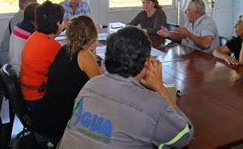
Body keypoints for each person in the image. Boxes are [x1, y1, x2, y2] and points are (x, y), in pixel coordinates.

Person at [58, 27, 194, 148]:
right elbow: (185, 135)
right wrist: (160, 88)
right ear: (147, 61)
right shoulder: (153, 104)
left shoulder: (91, 84)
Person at [33, 15, 101, 148]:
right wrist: (92, 49)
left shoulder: (64, 49)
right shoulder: (84, 56)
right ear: (92, 36)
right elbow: (101, 89)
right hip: (54, 134)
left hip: (42, 123)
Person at [19, 0, 64, 113]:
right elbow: (68, 69)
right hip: (38, 100)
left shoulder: (34, 36)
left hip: (27, 95)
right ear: (58, 24)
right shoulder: (52, 45)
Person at [0, 0, 37, 64]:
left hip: (9, 53)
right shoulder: (22, 18)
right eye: (34, 4)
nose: (35, 8)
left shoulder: (19, 15)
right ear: (25, 5)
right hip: (9, 59)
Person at [8, 2, 39, 75]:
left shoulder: (18, 26)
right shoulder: (31, 34)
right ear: (37, 18)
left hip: (14, 68)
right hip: (22, 73)